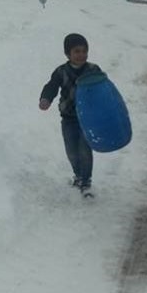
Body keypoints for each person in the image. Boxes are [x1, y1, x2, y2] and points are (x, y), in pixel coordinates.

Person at [39, 33, 101, 198]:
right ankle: (78, 175)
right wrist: (46, 99)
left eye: (84, 51)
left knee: (85, 150)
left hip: (88, 119)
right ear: (68, 54)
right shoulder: (61, 71)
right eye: (77, 51)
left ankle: (86, 181)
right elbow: (51, 86)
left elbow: (103, 89)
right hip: (68, 118)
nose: (81, 55)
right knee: (71, 150)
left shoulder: (93, 70)